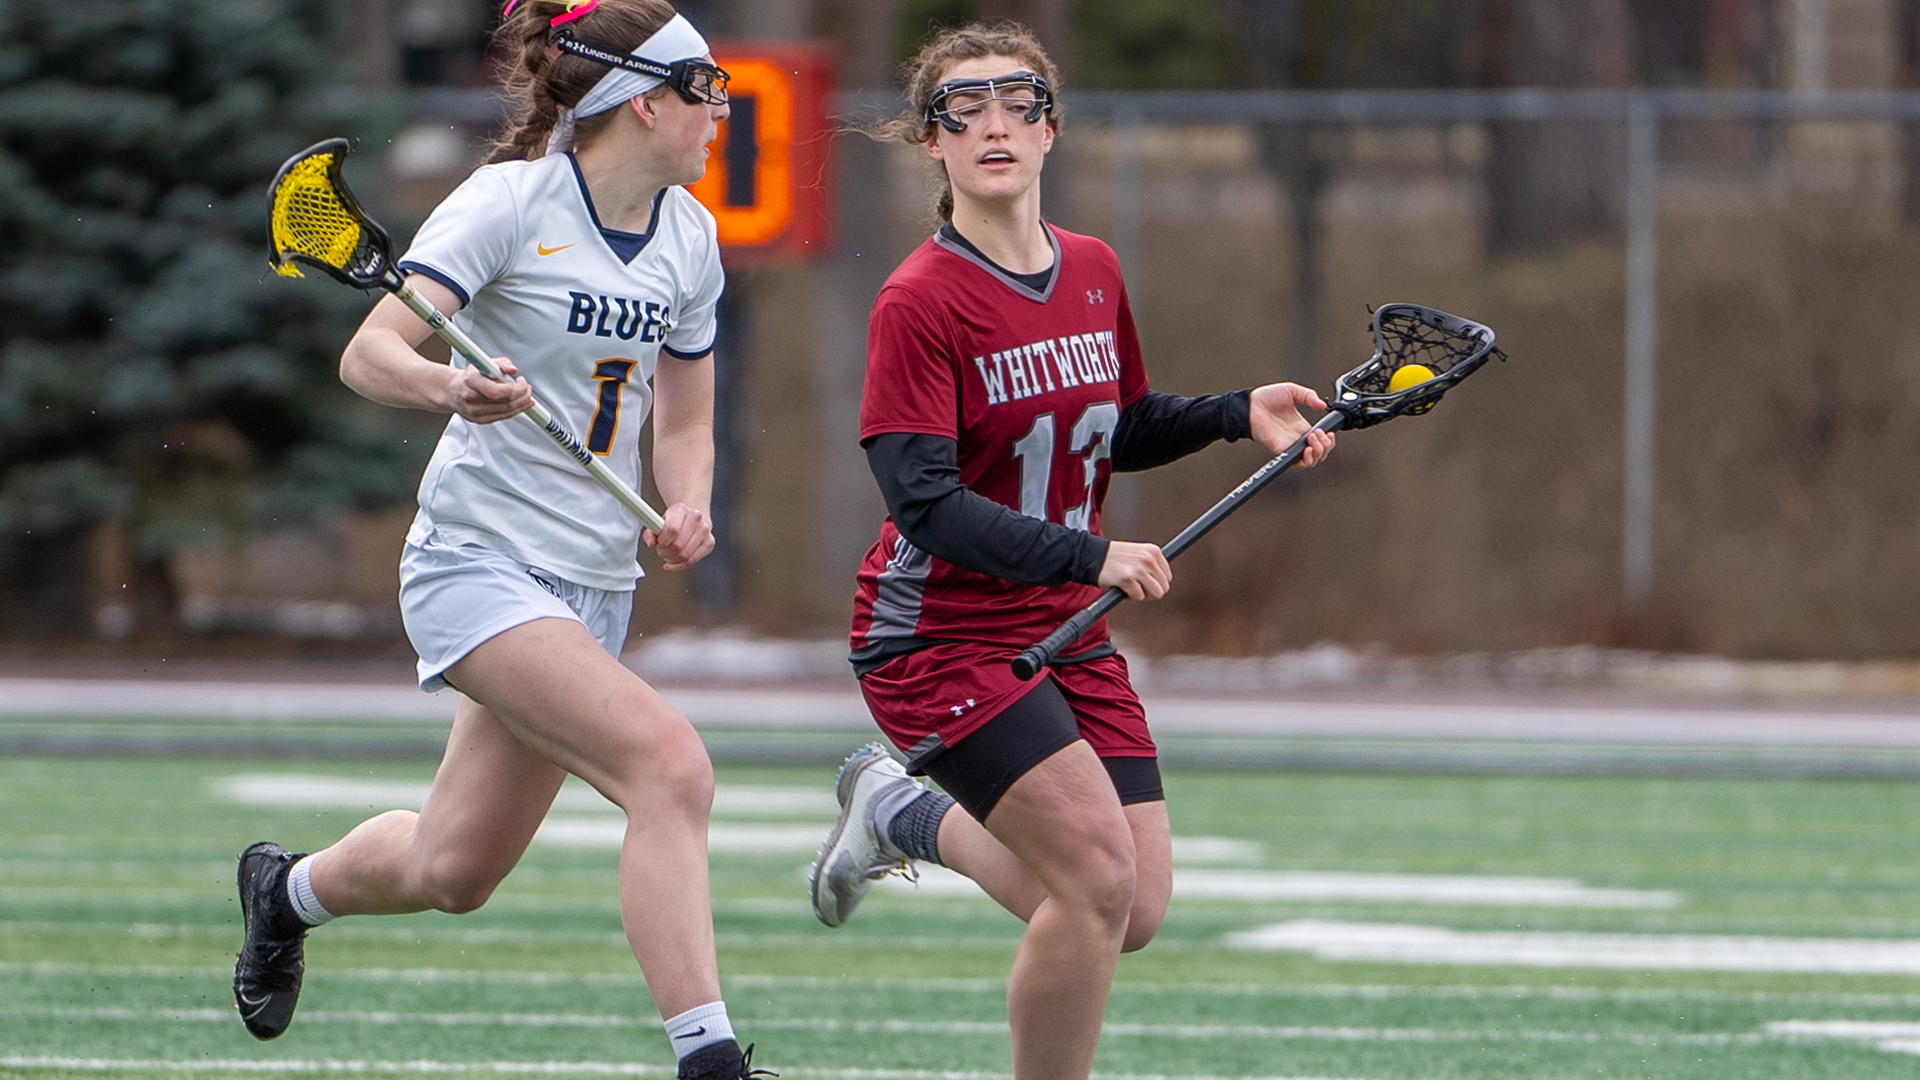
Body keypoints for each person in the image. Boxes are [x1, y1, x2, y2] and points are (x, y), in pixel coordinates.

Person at [231, 3, 766, 1077]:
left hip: (593, 583)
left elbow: (689, 413)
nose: (721, 109)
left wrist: (689, 499)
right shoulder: (511, 204)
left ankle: (282, 892)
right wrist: (452, 387)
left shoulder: (691, 235)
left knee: (454, 867)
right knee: (672, 770)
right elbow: (371, 351)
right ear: (644, 100)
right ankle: (709, 1060)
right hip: (477, 563)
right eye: (704, 86)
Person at [806, 22, 1336, 1080]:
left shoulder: (1090, 267)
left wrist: (1239, 412)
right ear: (933, 145)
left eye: (1020, 103)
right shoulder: (920, 301)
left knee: (1129, 908)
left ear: (1051, 129)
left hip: (1060, 625)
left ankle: (901, 812)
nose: (995, 125)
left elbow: (1117, 422)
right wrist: (1086, 557)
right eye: (965, 109)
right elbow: (923, 504)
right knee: (1093, 882)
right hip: (937, 635)